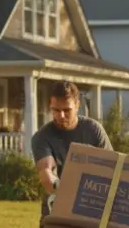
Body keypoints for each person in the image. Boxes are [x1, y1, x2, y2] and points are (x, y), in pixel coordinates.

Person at [30, 80, 113, 218]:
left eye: (66, 110)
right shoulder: (42, 137)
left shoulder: (93, 130)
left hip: (92, 207)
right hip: (56, 208)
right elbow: (47, 173)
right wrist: (57, 185)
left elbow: (111, 168)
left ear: (77, 105)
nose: (61, 116)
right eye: (56, 110)